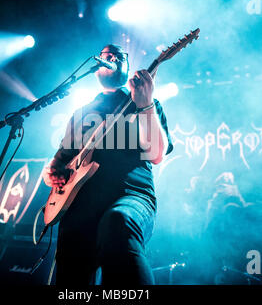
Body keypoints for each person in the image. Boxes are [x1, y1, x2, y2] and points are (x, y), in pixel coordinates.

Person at [42, 44, 173, 285]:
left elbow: (156, 154)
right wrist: (51, 173)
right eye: (106, 55)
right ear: (96, 67)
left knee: (117, 222)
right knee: (70, 264)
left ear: (127, 66)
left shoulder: (143, 101)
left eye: (118, 56)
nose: (111, 58)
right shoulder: (81, 112)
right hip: (80, 204)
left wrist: (145, 104)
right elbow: (58, 161)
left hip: (131, 197)